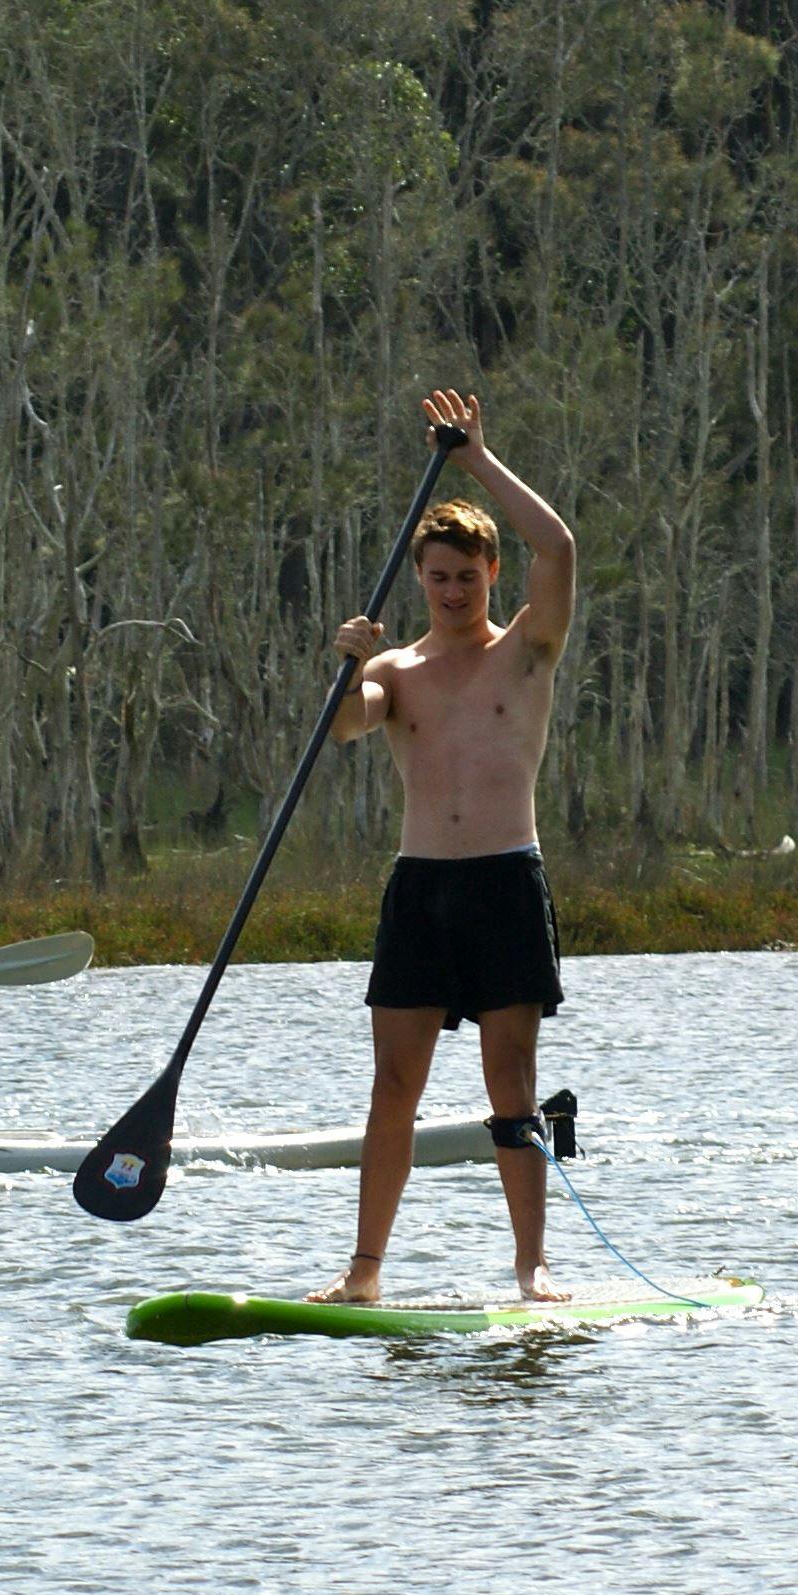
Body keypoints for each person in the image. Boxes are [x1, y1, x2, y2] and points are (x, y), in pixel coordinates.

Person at [312, 388, 575, 1306]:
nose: (452, 591)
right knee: (393, 1084)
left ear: (491, 572)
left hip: (506, 881)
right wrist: (347, 663)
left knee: (512, 1082)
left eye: (466, 575)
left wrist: (476, 460)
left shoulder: (527, 648)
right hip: (420, 890)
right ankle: (363, 1271)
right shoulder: (395, 670)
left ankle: (532, 1267)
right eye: (437, 577)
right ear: (419, 579)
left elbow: (559, 547)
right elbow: (345, 726)